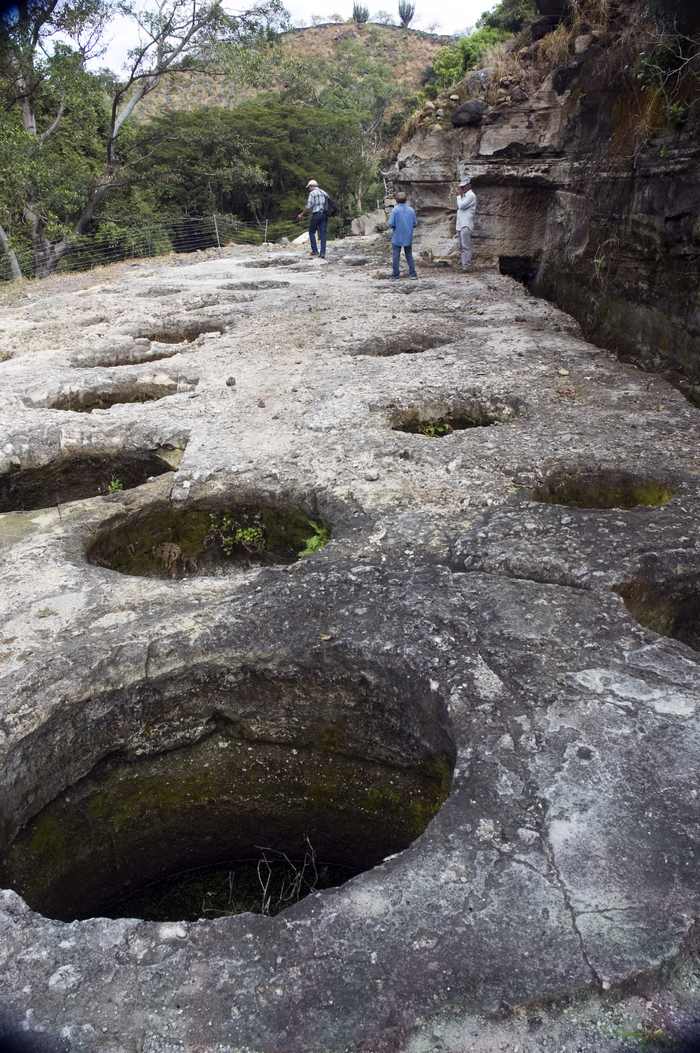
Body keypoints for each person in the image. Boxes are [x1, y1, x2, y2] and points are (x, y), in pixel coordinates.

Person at [388, 191, 417, 279]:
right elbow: (415, 223)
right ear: (406, 200)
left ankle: (395, 275)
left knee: (396, 256)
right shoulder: (411, 210)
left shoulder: (395, 210)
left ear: (396, 200)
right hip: (408, 236)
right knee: (409, 255)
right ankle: (413, 274)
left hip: (397, 236)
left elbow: (391, 223)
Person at [297, 178, 329, 259]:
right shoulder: (324, 192)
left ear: (311, 186)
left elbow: (309, 206)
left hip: (316, 214)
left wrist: (302, 214)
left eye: (309, 187)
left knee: (311, 232)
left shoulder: (312, 193)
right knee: (323, 234)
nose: (309, 189)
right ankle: (322, 253)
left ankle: (315, 251)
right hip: (324, 215)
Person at [456, 177, 477, 272]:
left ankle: (467, 266)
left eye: (464, 187)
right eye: (461, 187)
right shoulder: (464, 196)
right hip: (461, 224)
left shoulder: (470, 195)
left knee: (466, 246)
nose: (462, 188)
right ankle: (464, 265)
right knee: (461, 246)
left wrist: (458, 196)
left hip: (466, 224)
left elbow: (461, 206)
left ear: (469, 186)